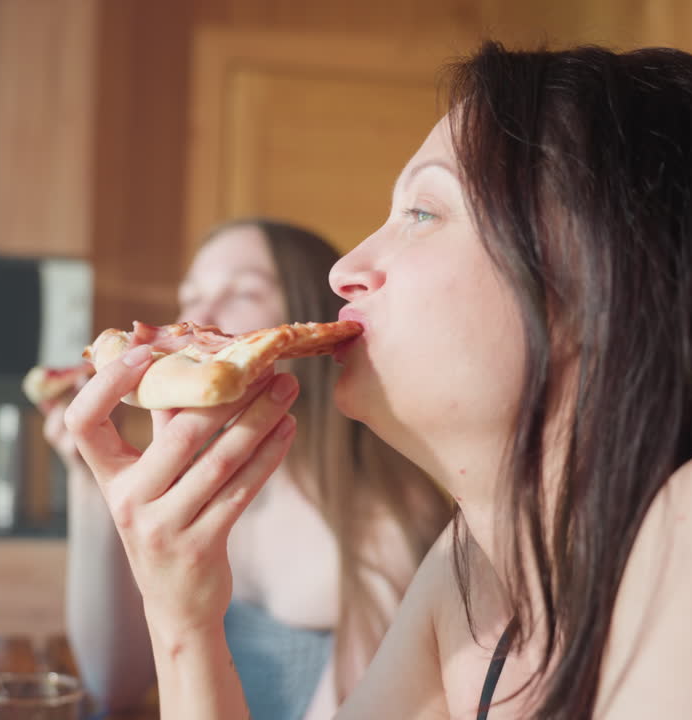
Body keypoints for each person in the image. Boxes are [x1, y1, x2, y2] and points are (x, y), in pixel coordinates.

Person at [63, 42, 692, 719]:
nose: (344, 270)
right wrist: (183, 618)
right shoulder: (468, 574)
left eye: (422, 211)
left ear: (612, 283)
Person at [44, 219, 452, 720]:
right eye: (189, 295)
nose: (201, 318)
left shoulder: (387, 526)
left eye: (242, 293)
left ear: (314, 326)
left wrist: (187, 624)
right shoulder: (195, 489)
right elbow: (114, 685)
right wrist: (90, 487)